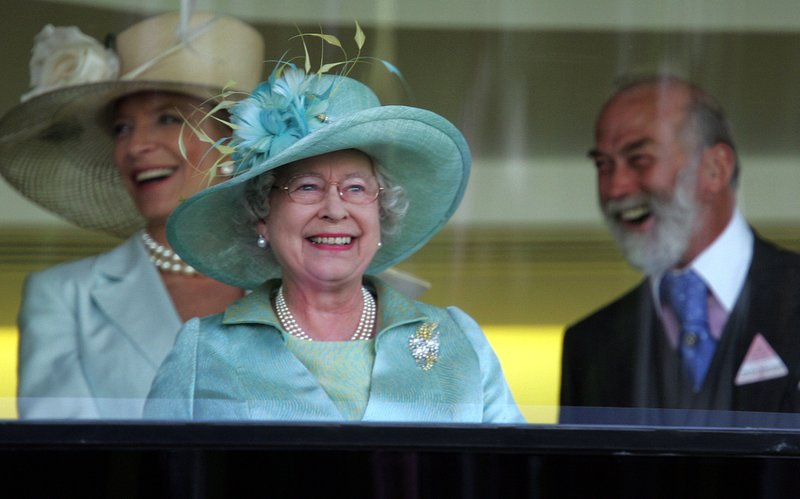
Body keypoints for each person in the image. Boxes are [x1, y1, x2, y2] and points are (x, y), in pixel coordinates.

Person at [143, 44, 524, 423]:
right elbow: (158, 479)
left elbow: (512, 476)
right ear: (263, 215)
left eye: (356, 188)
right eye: (306, 187)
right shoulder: (204, 351)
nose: (335, 209)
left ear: (381, 213)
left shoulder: (458, 338)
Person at [0, 11, 266, 418]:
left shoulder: (301, 285)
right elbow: (62, 459)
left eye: (167, 118)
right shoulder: (66, 296)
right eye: (122, 128)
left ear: (232, 141)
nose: (136, 145)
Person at [559, 75, 800, 425]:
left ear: (715, 168)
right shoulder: (592, 346)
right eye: (603, 165)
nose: (615, 187)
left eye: (639, 159)